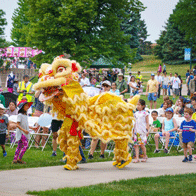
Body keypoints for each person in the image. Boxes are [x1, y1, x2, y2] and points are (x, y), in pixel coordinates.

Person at [88, 81, 111, 159]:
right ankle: (91, 154)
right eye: (103, 86)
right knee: (94, 137)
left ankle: (102, 153)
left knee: (103, 137)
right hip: (97, 118)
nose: (105, 88)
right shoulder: (97, 94)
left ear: (110, 87)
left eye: (107, 86)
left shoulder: (112, 96)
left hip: (106, 119)